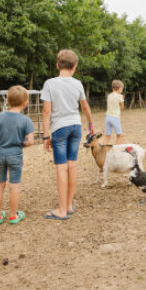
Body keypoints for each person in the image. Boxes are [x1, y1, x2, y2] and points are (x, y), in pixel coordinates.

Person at [40, 49, 95, 220]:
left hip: (60, 129)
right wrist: (91, 124)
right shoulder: (78, 84)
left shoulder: (50, 84)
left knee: (61, 167)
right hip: (76, 127)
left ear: (57, 65)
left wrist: (45, 135)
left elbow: (46, 111)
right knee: (72, 165)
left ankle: (62, 210)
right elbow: (85, 107)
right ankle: (69, 205)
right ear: (74, 67)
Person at [0, 86, 36, 225]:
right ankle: (13, 215)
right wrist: (21, 144)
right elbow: (31, 141)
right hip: (16, 155)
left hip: (0, 154)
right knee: (14, 186)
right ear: (25, 103)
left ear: (7, 100)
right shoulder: (26, 120)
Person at [103, 80, 125, 145]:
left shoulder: (109, 95)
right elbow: (122, 108)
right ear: (119, 88)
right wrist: (122, 100)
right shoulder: (120, 96)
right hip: (115, 117)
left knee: (107, 136)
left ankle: (102, 152)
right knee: (119, 136)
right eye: (122, 88)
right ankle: (117, 151)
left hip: (108, 117)